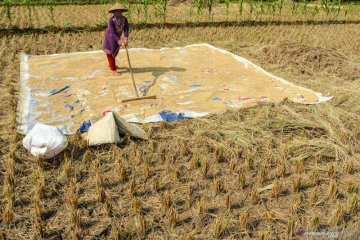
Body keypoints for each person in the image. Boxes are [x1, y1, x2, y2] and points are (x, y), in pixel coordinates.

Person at [103, 3, 129, 75]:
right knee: (111, 52)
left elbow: (126, 29)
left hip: (117, 36)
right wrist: (120, 41)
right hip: (110, 37)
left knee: (115, 51)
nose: (119, 12)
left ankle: (111, 64)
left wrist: (126, 39)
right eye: (117, 10)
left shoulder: (124, 19)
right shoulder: (111, 20)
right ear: (113, 12)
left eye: (120, 10)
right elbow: (112, 32)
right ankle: (113, 70)